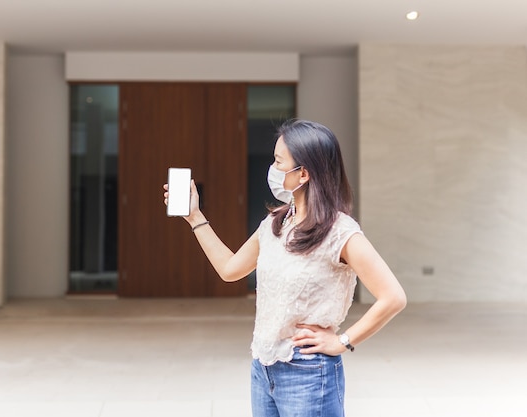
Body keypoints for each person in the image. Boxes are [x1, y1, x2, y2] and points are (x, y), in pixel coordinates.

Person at [163, 119, 407, 417]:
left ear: (303, 173)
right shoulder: (277, 222)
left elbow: (393, 297)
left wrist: (343, 341)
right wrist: (194, 217)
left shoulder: (340, 232)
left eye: (279, 161)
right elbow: (229, 269)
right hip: (263, 367)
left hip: (308, 372)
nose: (273, 169)